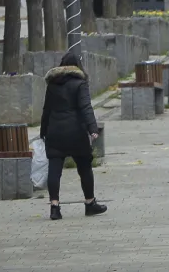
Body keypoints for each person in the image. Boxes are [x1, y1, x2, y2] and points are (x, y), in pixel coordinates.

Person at [40, 53, 106, 220]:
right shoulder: (80, 83)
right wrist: (93, 128)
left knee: (54, 170)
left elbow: (46, 110)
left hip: (55, 132)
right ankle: (90, 203)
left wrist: (43, 131)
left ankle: (54, 207)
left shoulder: (52, 84)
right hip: (75, 132)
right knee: (84, 167)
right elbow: (86, 107)